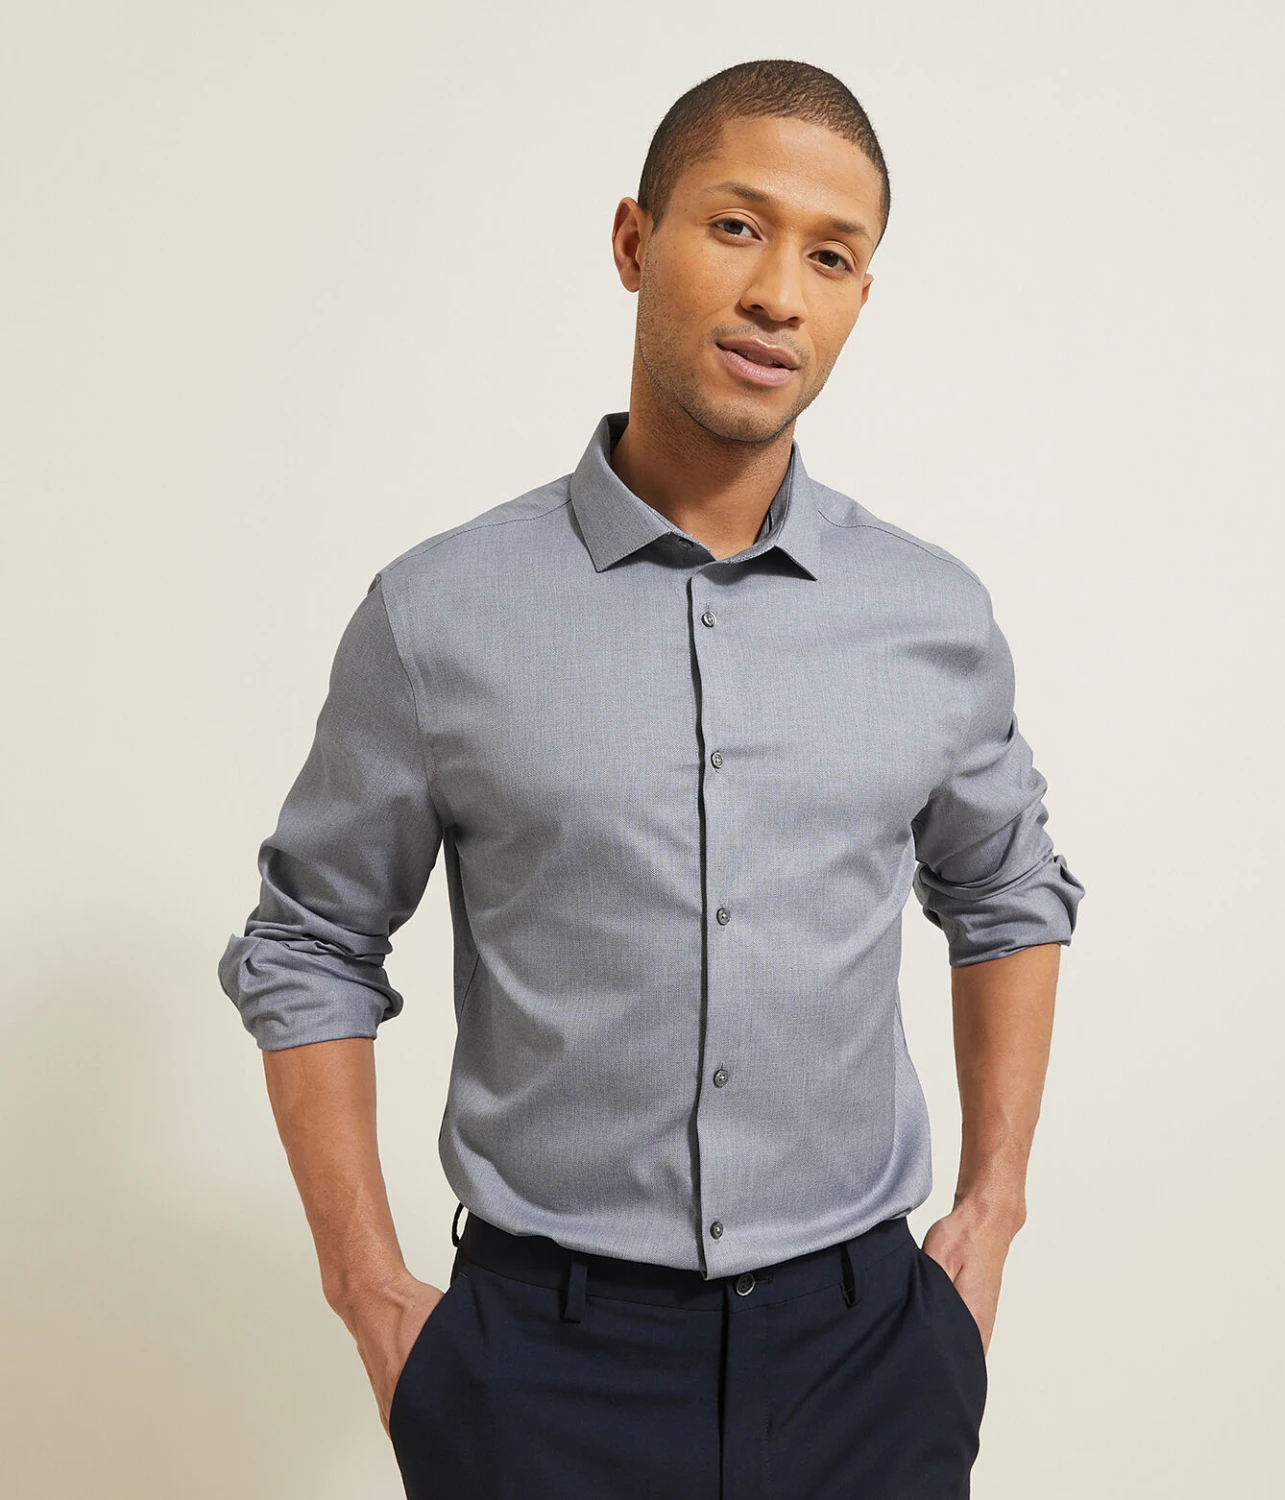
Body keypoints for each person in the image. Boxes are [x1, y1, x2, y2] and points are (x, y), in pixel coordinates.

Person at [218, 56, 1084, 1500]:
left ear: (861, 296)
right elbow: (310, 942)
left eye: (831, 256)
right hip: (542, 1377)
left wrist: (989, 1223)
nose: (778, 295)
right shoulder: (439, 616)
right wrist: (370, 1295)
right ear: (635, 240)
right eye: (737, 226)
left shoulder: (932, 616)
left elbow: (1008, 894)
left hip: (869, 1362)